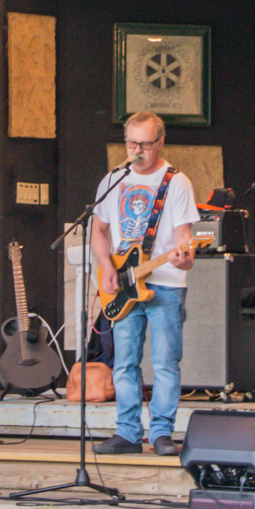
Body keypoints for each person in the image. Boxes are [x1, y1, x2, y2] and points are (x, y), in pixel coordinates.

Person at [92, 110, 199, 456]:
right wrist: (106, 265)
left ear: (161, 142)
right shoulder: (113, 179)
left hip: (166, 282)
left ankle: (162, 433)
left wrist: (186, 256)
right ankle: (127, 432)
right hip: (123, 282)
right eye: (132, 143)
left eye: (145, 144)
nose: (138, 150)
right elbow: (99, 229)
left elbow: (184, 237)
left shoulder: (177, 182)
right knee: (124, 361)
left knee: (166, 361)